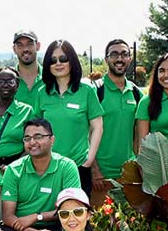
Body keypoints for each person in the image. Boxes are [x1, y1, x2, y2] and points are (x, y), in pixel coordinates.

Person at [37, 39, 103, 191]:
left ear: (72, 61)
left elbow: (97, 127)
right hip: (48, 167)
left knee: (77, 213)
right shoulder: (42, 93)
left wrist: (89, 159)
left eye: (63, 59)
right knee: (50, 213)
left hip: (79, 166)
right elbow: (36, 130)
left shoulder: (86, 91)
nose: (58, 64)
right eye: (53, 61)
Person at [95, 39, 142, 185]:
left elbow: (139, 133)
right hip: (101, 176)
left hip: (129, 173)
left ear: (130, 58)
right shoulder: (95, 90)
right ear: (106, 59)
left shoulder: (136, 93)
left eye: (124, 54)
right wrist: (94, 170)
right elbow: (83, 134)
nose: (119, 59)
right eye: (114, 54)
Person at [12, 30, 46, 109]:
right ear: (14, 49)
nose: (25, 49)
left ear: (38, 46)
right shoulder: (3, 81)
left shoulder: (51, 77)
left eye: (29, 44)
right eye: (20, 45)